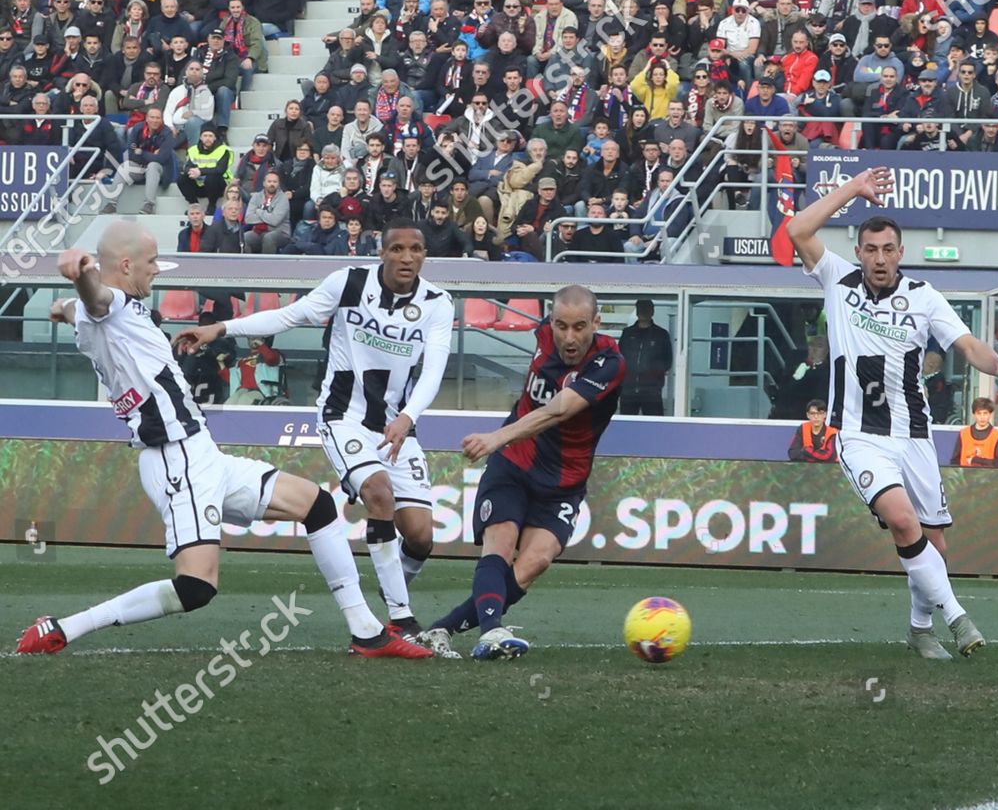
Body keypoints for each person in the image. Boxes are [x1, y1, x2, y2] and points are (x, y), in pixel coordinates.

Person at [17, 225, 429, 659]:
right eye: (152, 262)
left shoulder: (105, 312)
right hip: (175, 458)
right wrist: (81, 274)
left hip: (201, 453)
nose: (157, 271)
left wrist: (61, 305)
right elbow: (96, 297)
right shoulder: (111, 305)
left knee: (317, 506)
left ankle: (367, 631)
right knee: (196, 587)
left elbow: (78, 308)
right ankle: (63, 627)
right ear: (125, 266)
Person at [787, 166, 998, 659]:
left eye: (888, 249)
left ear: (901, 252)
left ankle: (920, 629)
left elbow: (967, 345)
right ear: (858, 253)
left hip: (915, 436)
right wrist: (854, 189)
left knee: (934, 549)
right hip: (859, 435)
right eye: (870, 249)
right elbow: (797, 230)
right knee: (901, 521)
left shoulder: (923, 297)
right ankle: (958, 619)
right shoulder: (837, 281)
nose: (879, 258)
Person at [173, 220, 453, 642]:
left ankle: (394, 584)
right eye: (397, 249)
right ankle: (400, 618)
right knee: (378, 494)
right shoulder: (348, 283)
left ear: (424, 254)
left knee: (420, 536)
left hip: (398, 423)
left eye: (416, 249)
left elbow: (434, 370)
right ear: (382, 252)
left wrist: (408, 417)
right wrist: (221, 328)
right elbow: (289, 316)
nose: (407, 257)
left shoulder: (437, 302)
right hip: (343, 416)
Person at [419, 286, 625, 660]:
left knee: (534, 563)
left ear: (597, 322)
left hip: (563, 481)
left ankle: (442, 629)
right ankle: (492, 633)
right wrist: (503, 443)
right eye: (561, 325)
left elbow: (559, 410)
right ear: (550, 321)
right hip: (515, 462)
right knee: (499, 541)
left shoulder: (609, 362)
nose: (569, 337)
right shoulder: (542, 335)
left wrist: (496, 436)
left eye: (580, 327)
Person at [617, 298, 673, 415]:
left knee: (655, 427)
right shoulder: (627, 333)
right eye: (641, 309)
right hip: (628, 390)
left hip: (651, 391)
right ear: (637, 311)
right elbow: (619, 357)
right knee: (627, 427)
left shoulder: (661, 334)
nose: (643, 312)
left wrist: (654, 373)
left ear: (652, 311)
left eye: (646, 309)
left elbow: (667, 360)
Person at [951, 397, 998, 467]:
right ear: (974, 415)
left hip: (988, 476)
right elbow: (955, 461)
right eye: (979, 413)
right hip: (965, 476)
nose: (982, 417)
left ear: (990, 414)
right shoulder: (963, 433)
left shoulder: (996, 435)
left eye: (985, 413)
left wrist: (975, 460)